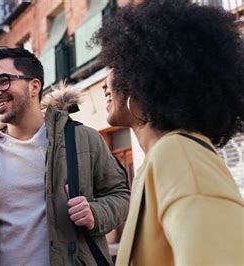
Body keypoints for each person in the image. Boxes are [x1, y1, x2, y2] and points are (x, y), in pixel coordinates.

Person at [0, 47, 130, 265]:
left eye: (3, 80)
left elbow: (120, 194)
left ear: (34, 86)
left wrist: (95, 213)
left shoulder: (82, 138)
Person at [95, 1, 244, 265]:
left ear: (145, 74)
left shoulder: (178, 154)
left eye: (116, 66)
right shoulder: (161, 157)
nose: (105, 84)